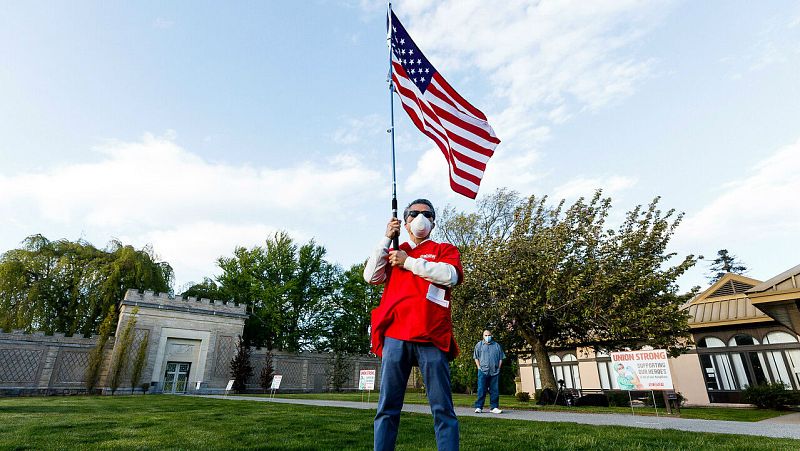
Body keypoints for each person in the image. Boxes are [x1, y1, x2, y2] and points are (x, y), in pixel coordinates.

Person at [365, 198, 463, 451]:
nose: (420, 218)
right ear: (405, 222)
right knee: (387, 407)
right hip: (396, 334)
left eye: (427, 214)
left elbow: (450, 276)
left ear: (433, 222)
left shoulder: (443, 249)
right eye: (413, 213)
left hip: (432, 335)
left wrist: (408, 262)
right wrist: (387, 238)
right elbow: (371, 276)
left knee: (442, 408)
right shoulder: (395, 250)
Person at [473, 329, 505, 414]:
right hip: (483, 371)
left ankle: (494, 407)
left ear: (491, 336)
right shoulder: (479, 345)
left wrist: (498, 368)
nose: (488, 337)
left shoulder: (497, 345)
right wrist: (479, 368)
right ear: (483, 336)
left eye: (489, 335)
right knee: (481, 389)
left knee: (494, 390)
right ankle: (479, 407)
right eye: (486, 335)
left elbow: (501, 358)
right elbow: (476, 357)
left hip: (494, 372)